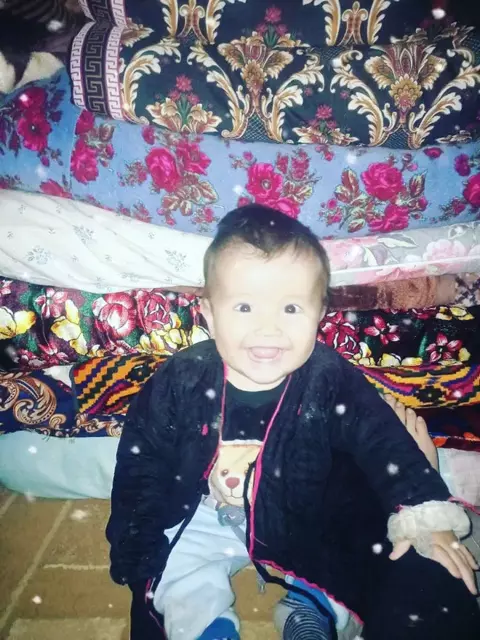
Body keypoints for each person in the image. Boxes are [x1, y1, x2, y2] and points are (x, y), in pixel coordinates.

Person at [106, 204, 480, 640]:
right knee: (176, 571)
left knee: (350, 551)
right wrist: (135, 531)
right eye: (244, 307)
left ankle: (309, 608)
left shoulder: (329, 377)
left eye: (290, 308)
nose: (268, 329)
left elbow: (383, 440)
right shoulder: (182, 377)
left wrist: (425, 512)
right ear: (209, 313)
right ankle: (207, 627)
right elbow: (142, 454)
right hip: (205, 512)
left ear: (320, 312)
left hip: (302, 512)